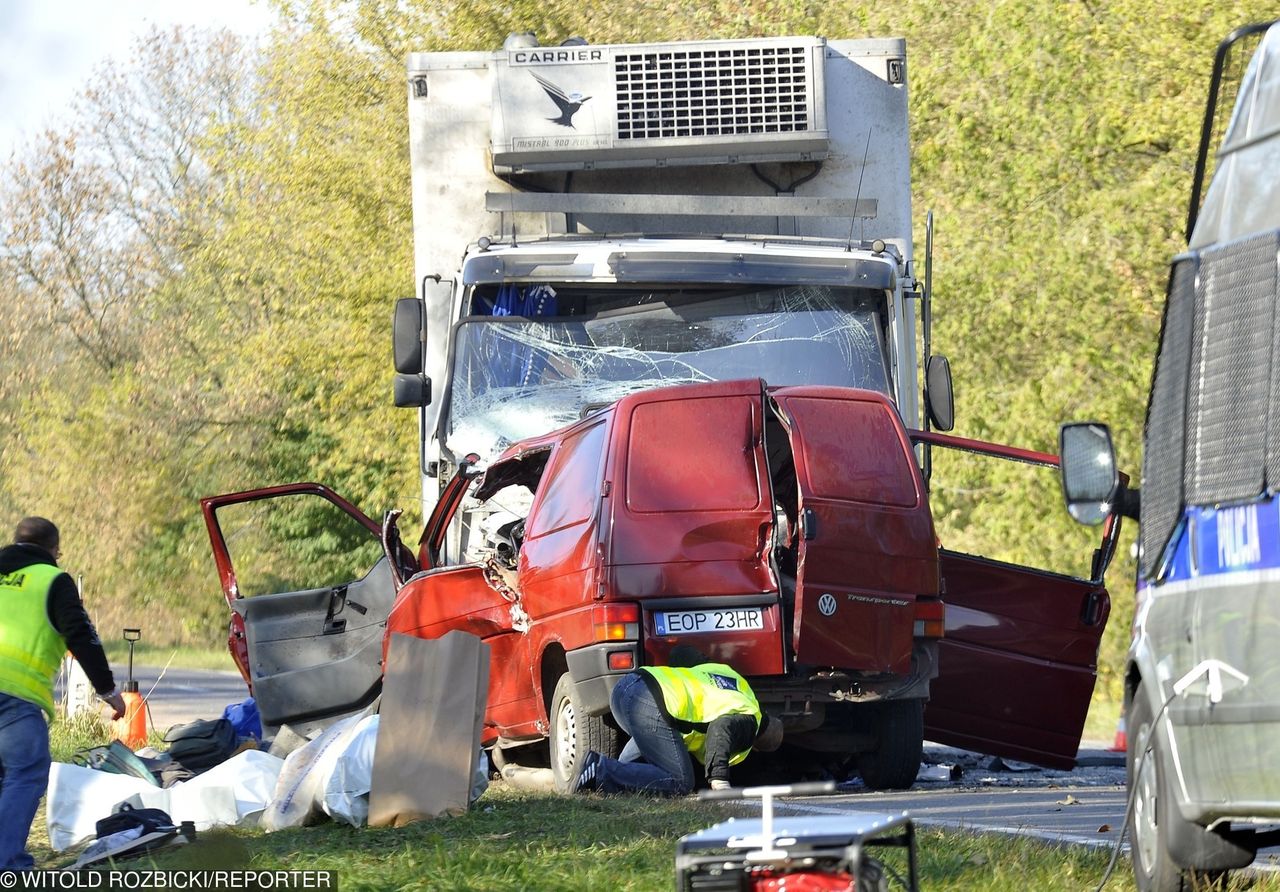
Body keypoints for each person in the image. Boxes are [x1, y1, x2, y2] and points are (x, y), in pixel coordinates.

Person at [0, 517, 125, 870]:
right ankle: (7, 864)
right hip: (15, 696)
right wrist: (107, 690)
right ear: (54, 550)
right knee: (25, 772)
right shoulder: (53, 580)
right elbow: (80, 634)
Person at [575, 647, 783, 795]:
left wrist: (678, 683)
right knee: (681, 781)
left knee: (632, 769)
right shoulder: (750, 722)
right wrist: (719, 781)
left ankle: (603, 775)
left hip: (627, 686)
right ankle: (600, 770)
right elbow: (722, 728)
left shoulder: (736, 681)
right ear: (756, 745)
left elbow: (680, 653)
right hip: (651, 704)